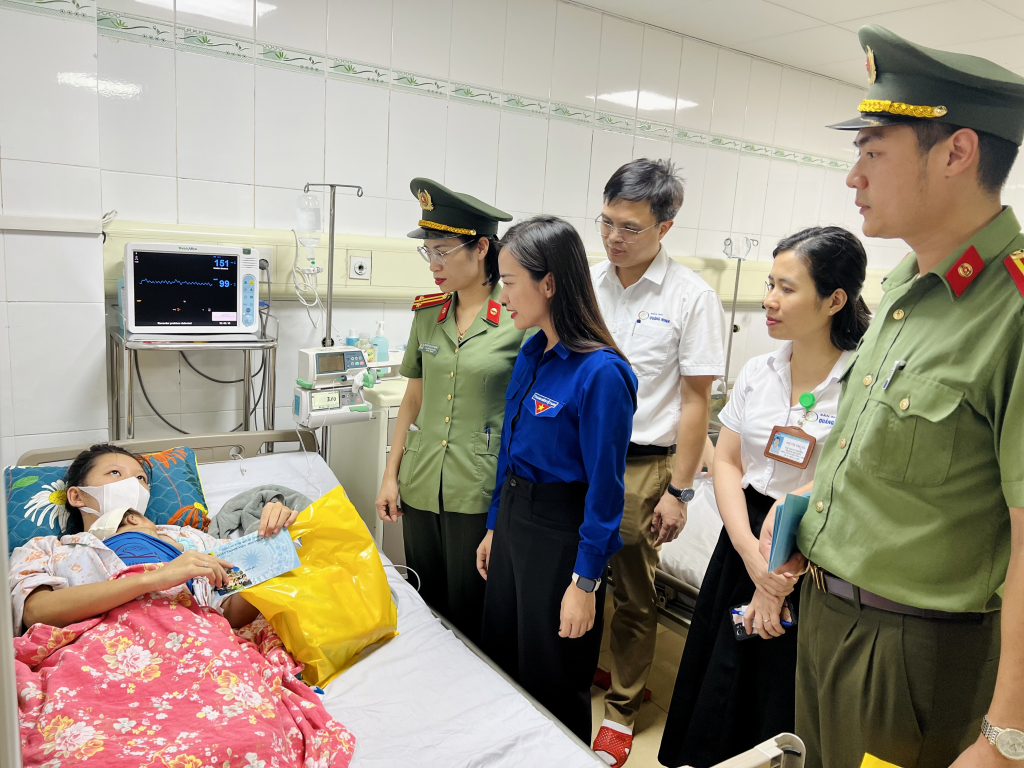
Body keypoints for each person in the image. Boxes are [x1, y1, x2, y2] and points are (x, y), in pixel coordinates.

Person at [757, 25, 1024, 767]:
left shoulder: (1014, 312)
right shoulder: (906, 287)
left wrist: (1008, 736)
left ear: (957, 153)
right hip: (828, 615)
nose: (853, 178)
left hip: (915, 650)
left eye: (873, 153)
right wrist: (811, 495)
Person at [659, 227, 870, 767]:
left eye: (787, 288)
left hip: (813, 551)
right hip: (746, 535)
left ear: (834, 300)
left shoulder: (861, 385)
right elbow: (726, 460)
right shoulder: (760, 370)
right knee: (718, 675)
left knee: (777, 690)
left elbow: (846, 477)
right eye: (769, 283)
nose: (769, 300)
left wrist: (776, 572)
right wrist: (753, 555)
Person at [475, 215, 637, 743]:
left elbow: (606, 492)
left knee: (553, 676)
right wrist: (496, 525)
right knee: (502, 659)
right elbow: (510, 450)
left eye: (510, 281)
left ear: (548, 284)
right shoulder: (532, 351)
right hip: (518, 522)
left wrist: (585, 583)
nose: (503, 295)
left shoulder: (601, 374)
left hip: (562, 535)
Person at [588, 158, 726, 767]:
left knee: (635, 589)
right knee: (576, 571)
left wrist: (680, 490)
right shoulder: (587, 283)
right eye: (607, 222)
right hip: (579, 458)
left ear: (665, 227)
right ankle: (591, 669)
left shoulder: (690, 298)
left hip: (644, 462)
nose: (615, 238)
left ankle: (622, 706)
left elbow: (697, 401)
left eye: (631, 228)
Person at [375, 178, 524, 644]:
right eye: (429, 252)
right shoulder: (428, 314)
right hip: (422, 481)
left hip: (478, 486)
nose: (434, 264)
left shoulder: (519, 319)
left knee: (471, 608)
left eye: (443, 251)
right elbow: (413, 400)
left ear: (481, 248)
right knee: (425, 601)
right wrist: (390, 473)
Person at [11, 443, 299, 633]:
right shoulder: (47, 549)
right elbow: (36, 612)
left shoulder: (191, 540)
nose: (133, 485)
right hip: (100, 660)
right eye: (115, 473)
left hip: (201, 649)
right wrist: (153, 578)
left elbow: (233, 613)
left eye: (140, 479)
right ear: (76, 495)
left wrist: (272, 543)